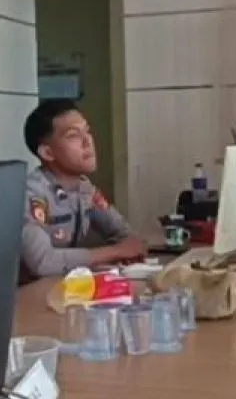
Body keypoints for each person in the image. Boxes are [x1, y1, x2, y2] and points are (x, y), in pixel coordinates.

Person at [20, 99, 145, 280]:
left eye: (87, 131)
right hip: (26, 291)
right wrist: (116, 251)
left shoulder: (85, 188)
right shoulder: (32, 194)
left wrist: (131, 249)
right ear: (48, 153)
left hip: (63, 284)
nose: (88, 142)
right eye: (73, 136)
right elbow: (42, 262)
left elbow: (122, 232)